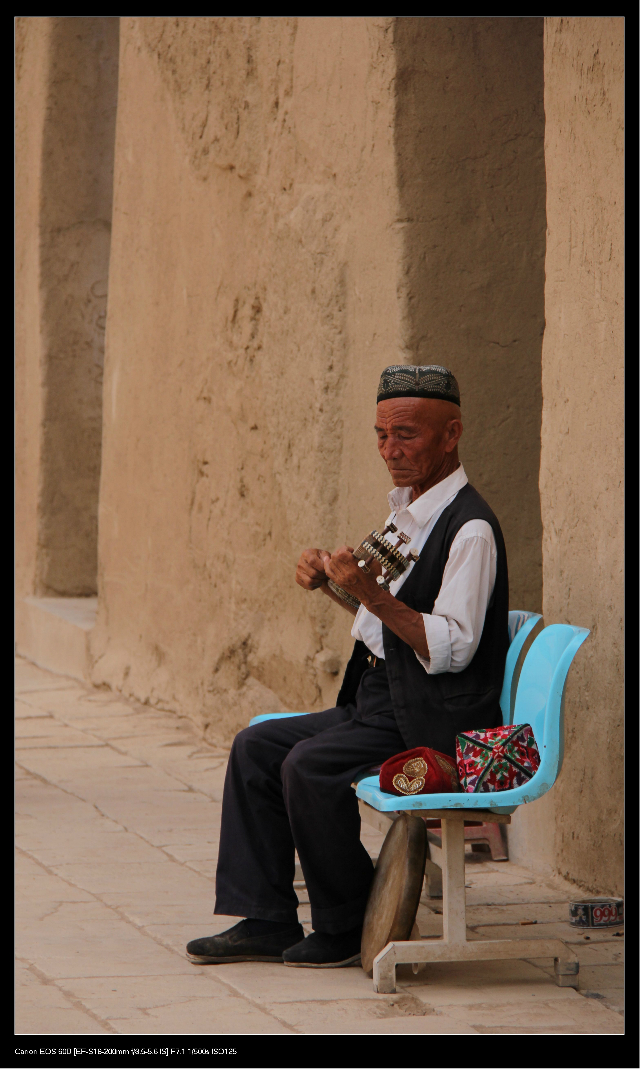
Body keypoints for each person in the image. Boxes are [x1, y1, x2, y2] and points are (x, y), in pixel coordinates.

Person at [186, 365, 508, 968]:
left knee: (309, 766)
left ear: (451, 434)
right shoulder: (407, 515)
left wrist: (371, 591)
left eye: (407, 435)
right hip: (380, 699)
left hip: (431, 716)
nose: (391, 450)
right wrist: (333, 585)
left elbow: (450, 647)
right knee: (256, 747)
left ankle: (346, 918)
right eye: (382, 435)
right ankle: (264, 916)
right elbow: (379, 625)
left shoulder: (469, 530)